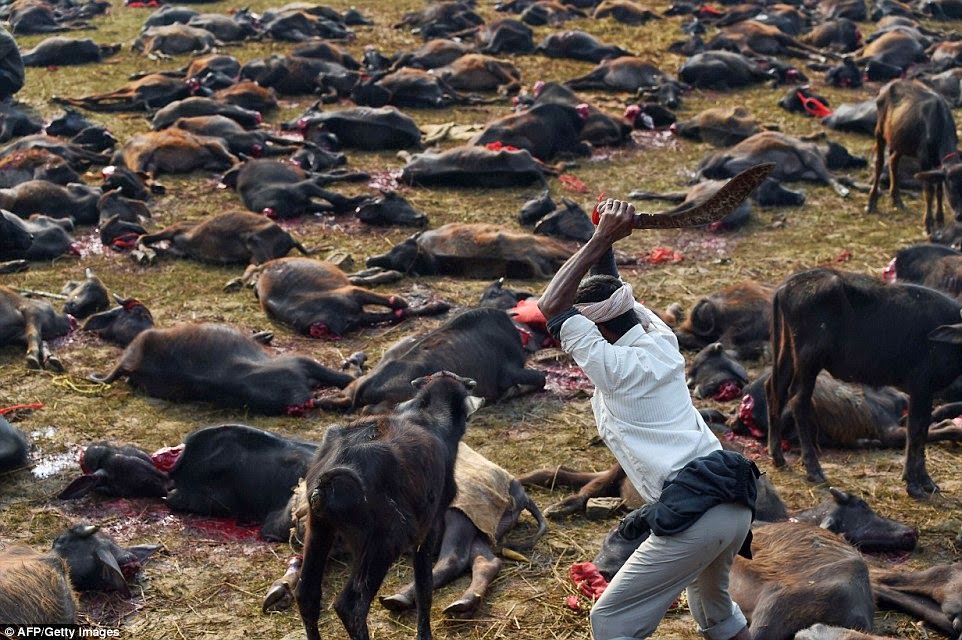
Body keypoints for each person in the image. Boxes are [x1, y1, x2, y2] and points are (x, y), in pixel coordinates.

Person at [538, 199, 756, 640]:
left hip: (696, 513)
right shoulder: (661, 339)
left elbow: (550, 304)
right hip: (735, 506)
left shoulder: (614, 370)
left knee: (610, 620)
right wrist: (610, 233)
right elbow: (613, 291)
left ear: (597, 332)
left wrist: (601, 237)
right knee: (713, 607)